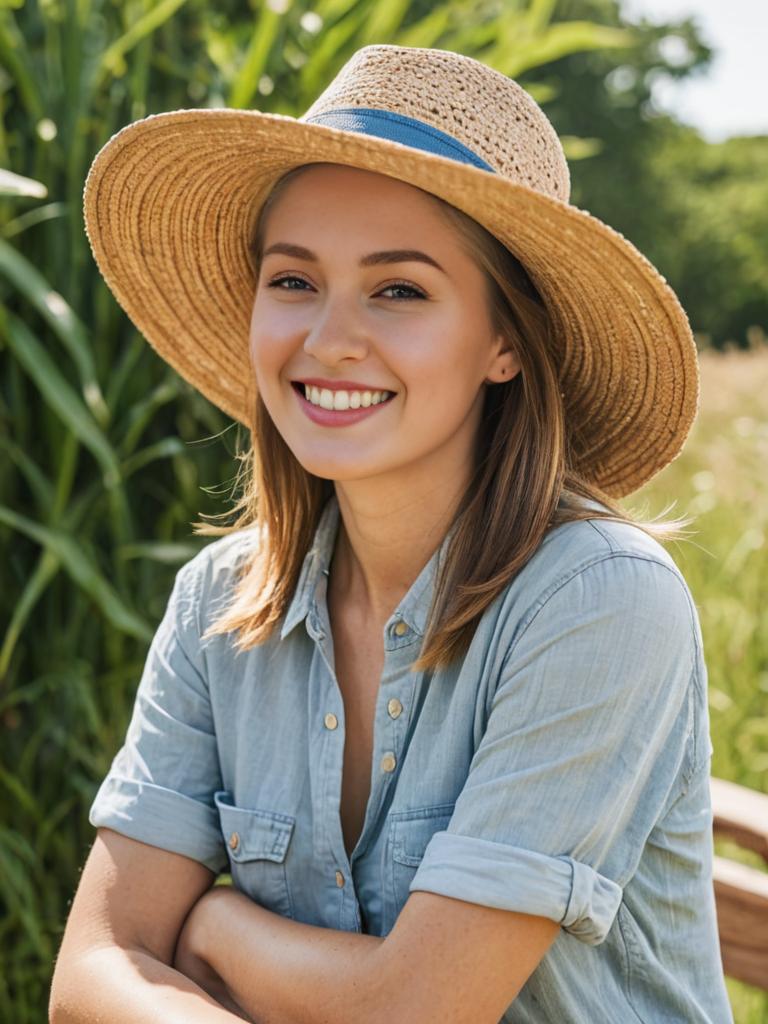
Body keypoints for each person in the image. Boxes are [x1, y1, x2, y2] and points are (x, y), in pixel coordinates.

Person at [49, 44, 733, 1024]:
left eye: (399, 289)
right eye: (292, 281)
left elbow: (414, 1012)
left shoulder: (599, 597)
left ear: (505, 341)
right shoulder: (220, 602)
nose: (328, 339)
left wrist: (210, 929)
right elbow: (86, 979)